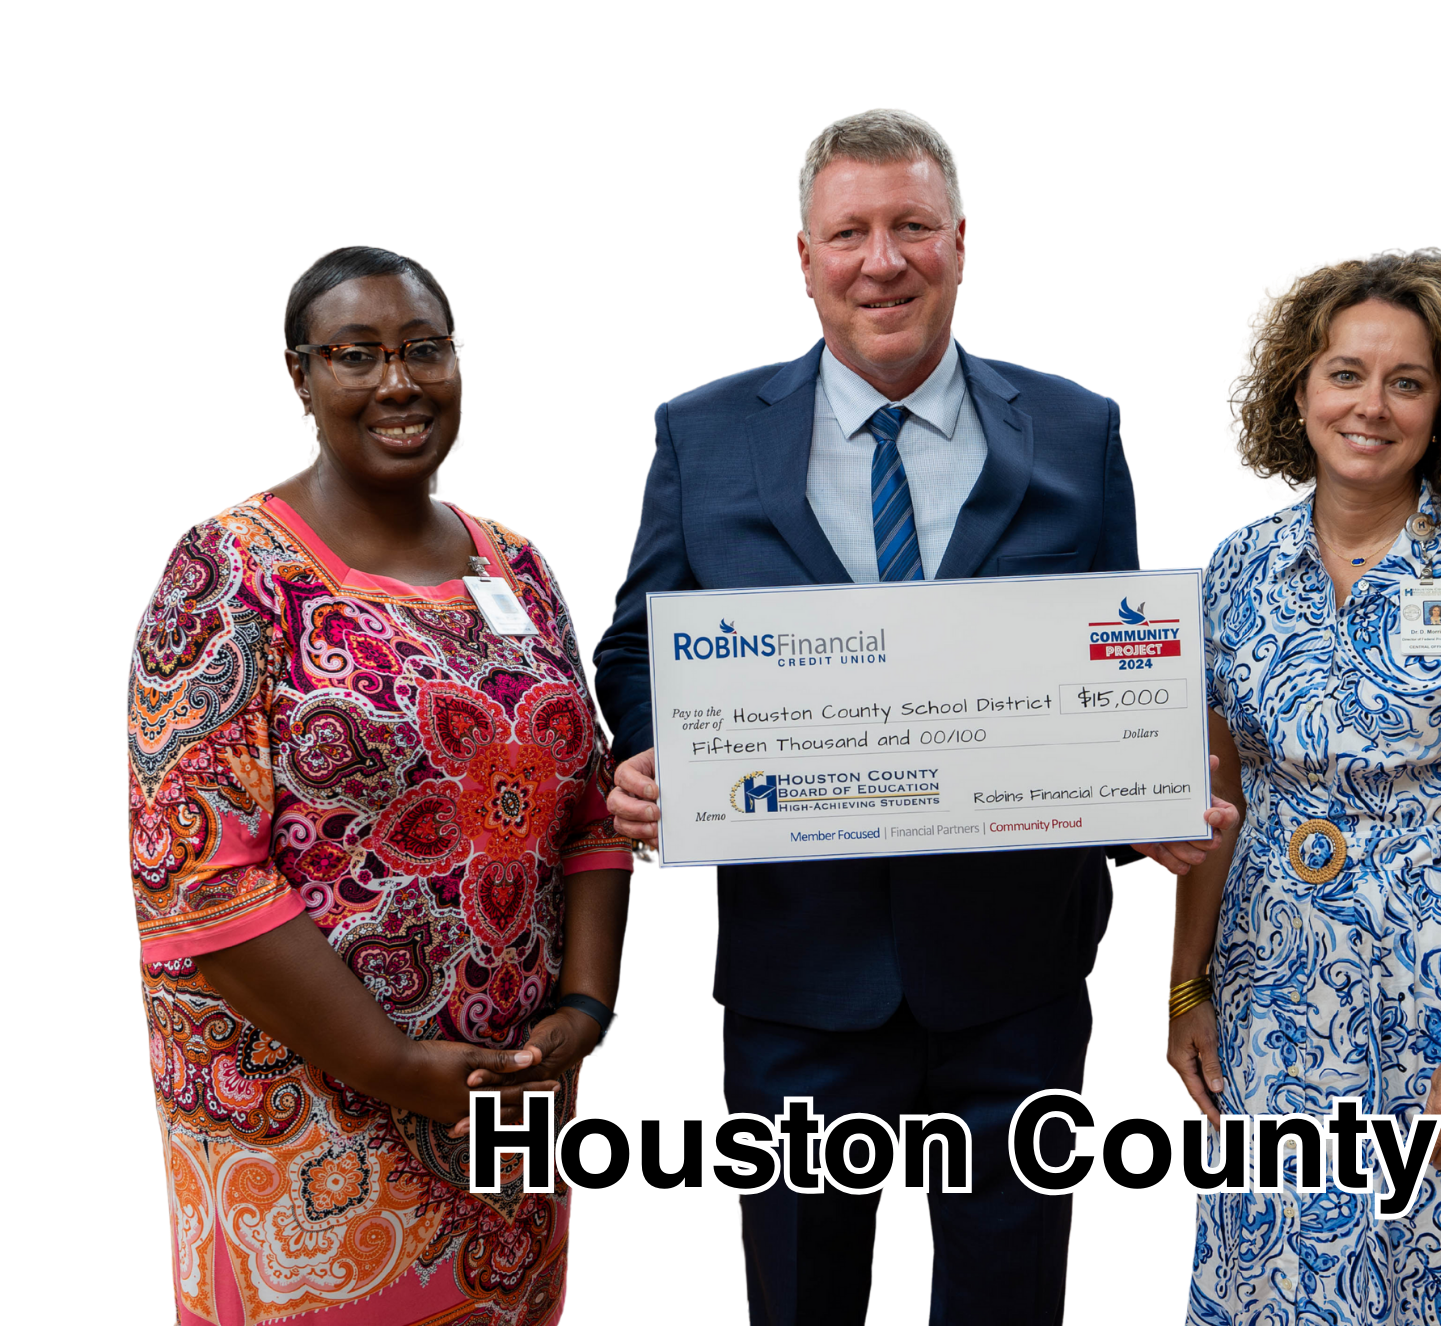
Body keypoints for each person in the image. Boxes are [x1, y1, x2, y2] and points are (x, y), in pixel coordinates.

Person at [592, 107, 1234, 1322]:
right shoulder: (701, 430)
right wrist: (649, 756)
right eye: (850, 233)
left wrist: (1143, 784)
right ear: (803, 256)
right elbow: (635, 643)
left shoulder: (1078, 426)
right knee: (803, 1301)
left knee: (1007, 1301)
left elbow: (1121, 657)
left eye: (910, 229)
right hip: (792, 971)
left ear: (959, 242)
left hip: (1019, 974)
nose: (881, 261)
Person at [126, 244, 634, 1326]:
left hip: (514, 1099)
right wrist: (395, 1066)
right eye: (355, 354)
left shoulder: (519, 567)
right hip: (312, 1125)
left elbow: (588, 812)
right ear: (299, 380)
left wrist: (585, 1006)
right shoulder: (228, 570)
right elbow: (197, 876)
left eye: (424, 349)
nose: (398, 382)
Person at [1165, 249, 1441, 1322]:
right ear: (1297, 393)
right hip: (1279, 1005)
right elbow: (1215, 804)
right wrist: (1186, 990)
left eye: (1405, 382)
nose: (1371, 406)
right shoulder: (1233, 570)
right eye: (1344, 374)